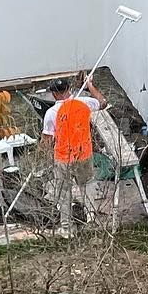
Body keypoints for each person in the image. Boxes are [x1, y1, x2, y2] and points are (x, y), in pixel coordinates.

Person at [40, 74, 106, 237]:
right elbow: (103, 103)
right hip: (84, 154)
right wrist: (89, 85)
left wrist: (45, 157)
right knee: (87, 185)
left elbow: (46, 140)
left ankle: (67, 229)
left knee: (64, 192)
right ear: (69, 89)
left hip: (63, 158)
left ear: (54, 94)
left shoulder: (51, 113)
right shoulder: (84, 103)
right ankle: (91, 218)